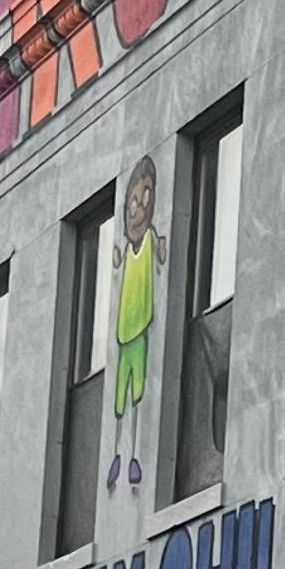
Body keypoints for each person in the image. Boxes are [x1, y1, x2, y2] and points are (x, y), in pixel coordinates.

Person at [108, 153, 158, 491]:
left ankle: (135, 457)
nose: (135, 210)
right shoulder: (127, 250)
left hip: (139, 334)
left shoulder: (150, 241)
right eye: (131, 205)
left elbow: (161, 255)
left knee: (137, 397)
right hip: (124, 336)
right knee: (120, 402)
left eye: (142, 202)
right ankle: (116, 456)